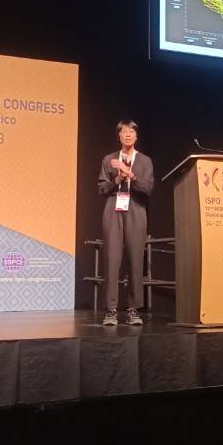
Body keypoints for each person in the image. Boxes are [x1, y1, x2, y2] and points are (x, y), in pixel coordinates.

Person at [98, 119, 154, 326]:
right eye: (124, 131)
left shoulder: (145, 161)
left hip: (136, 208)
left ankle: (133, 309)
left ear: (136, 136)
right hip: (114, 206)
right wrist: (118, 179)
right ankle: (110, 310)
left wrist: (129, 173)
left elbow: (147, 188)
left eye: (132, 131)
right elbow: (102, 188)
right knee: (112, 259)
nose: (128, 134)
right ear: (119, 136)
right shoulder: (109, 159)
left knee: (135, 259)